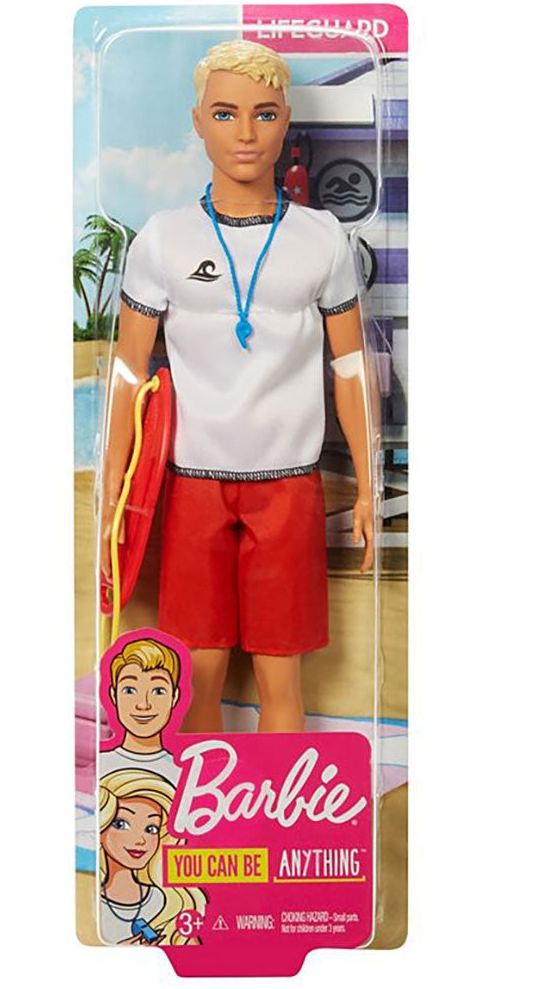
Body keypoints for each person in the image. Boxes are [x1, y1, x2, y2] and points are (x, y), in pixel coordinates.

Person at [102, 39, 375, 735]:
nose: (245, 133)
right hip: (192, 485)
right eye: (225, 114)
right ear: (198, 121)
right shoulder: (162, 239)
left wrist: (369, 486)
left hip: (289, 487)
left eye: (265, 113)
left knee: (283, 675)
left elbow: (350, 367)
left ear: (287, 122)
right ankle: (198, 803)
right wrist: (112, 491)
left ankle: (280, 805)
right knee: (198, 674)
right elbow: (129, 373)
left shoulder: (322, 238)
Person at [97, 768, 206, 945]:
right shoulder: (89, 905)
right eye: (121, 824)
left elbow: (194, 952)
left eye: (151, 829)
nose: (140, 840)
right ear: (102, 825)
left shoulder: (170, 902)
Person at [98, 636, 182, 785]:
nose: (143, 704)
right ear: (113, 695)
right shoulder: (99, 764)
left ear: (174, 697)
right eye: (130, 690)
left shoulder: (186, 772)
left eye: (158, 691)